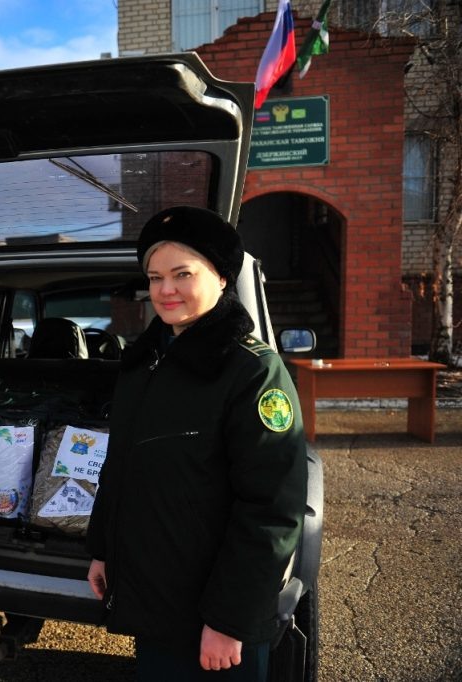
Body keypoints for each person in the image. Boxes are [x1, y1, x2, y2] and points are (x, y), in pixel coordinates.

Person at [86, 206, 307, 681]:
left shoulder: (251, 371)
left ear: (223, 277)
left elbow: (271, 507)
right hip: (157, 606)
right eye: (155, 276)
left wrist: (228, 621)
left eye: (182, 274)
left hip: (217, 621)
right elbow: (119, 467)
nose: (165, 290)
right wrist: (103, 549)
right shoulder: (144, 364)